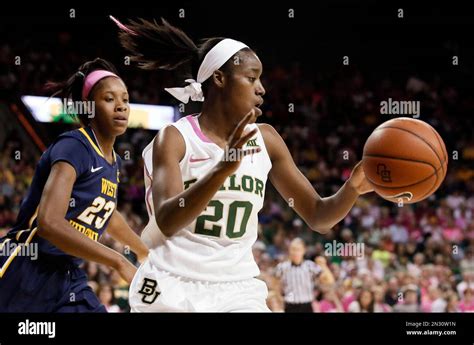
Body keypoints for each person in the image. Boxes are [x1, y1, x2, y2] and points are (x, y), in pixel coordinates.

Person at [112, 17, 373, 312]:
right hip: (170, 285)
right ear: (219, 79)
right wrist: (222, 168)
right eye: (252, 78)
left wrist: (352, 188)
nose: (261, 89)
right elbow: (167, 222)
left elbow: (318, 217)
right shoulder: (175, 139)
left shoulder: (267, 140)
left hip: (237, 288)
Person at [0, 58, 148, 312]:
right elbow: (49, 223)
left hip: (67, 276)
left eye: (124, 99)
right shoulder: (74, 146)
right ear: (89, 107)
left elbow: (106, 214)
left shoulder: (112, 162)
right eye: (109, 99)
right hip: (25, 268)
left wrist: (144, 251)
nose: (121, 106)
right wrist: (118, 261)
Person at [274, 238, 321, 312]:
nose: (295, 252)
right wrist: (278, 296)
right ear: (289, 250)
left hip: (307, 305)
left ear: (304, 250)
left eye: (298, 249)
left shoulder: (310, 265)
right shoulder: (282, 267)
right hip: (290, 305)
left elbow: (324, 277)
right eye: (293, 249)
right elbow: (275, 282)